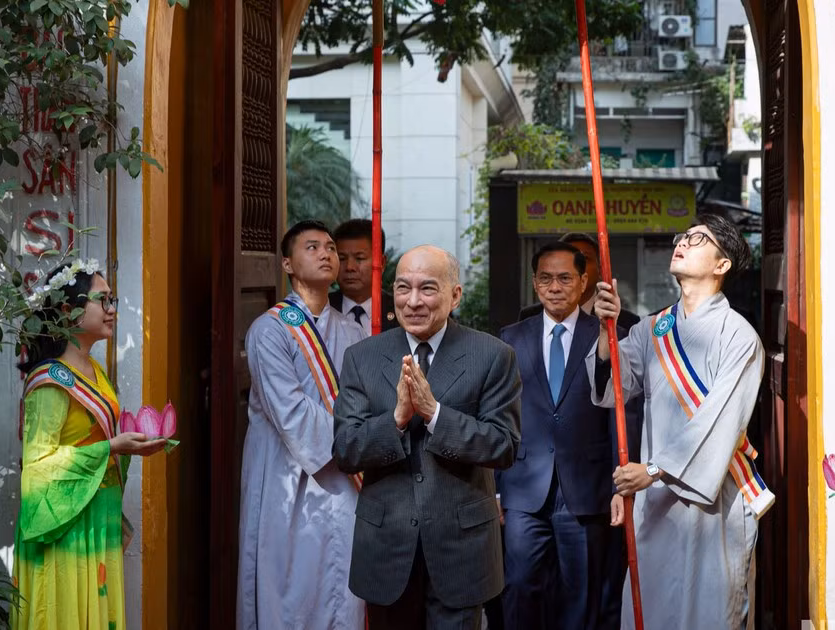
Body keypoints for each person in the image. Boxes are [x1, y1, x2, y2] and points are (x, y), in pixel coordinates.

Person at [590, 214, 771, 630]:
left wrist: (653, 470)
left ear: (722, 265)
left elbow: (720, 423)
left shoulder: (739, 336)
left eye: (697, 239)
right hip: (654, 498)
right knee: (650, 608)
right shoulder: (654, 327)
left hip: (710, 497)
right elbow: (615, 387)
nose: (683, 243)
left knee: (707, 609)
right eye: (682, 236)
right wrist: (606, 331)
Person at [333, 245, 521, 629]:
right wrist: (397, 419)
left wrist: (435, 414)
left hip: (462, 547)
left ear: (455, 296)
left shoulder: (492, 355)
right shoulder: (362, 357)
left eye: (428, 289)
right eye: (403, 288)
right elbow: (346, 450)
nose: (413, 301)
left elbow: (503, 445)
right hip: (386, 546)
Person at [11, 260, 166, 630]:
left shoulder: (94, 371)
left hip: (95, 514)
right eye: (103, 301)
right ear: (68, 311)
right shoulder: (51, 381)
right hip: (63, 525)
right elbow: (37, 467)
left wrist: (122, 446)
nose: (112, 310)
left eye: (113, 300)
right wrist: (110, 448)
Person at [238, 220, 366, 629]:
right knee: (288, 589)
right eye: (312, 247)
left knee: (341, 585)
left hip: (344, 477)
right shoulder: (269, 330)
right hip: (286, 476)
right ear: (288, 264)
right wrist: (358, 437)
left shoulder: (354, 329)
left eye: (331, 247)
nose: (327, 253)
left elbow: (364, 401)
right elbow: (290, 411)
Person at [497, 242, 630, 629]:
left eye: (565, 278)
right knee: (520, 586)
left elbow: (619, 412)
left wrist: (620, 483)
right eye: (545, 278)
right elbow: (498, 414)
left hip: (587, 489)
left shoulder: (609, 334)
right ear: (535, 284)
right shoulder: (510, 337)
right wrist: (496, 487)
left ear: (583, 281)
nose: (555, 286)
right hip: (523, 489)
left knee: (582, 591)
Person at [518, 232, 639, 331]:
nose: (576, 266)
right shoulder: (530, 316)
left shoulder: (624, 321)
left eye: (584, 259)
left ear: (601, 270)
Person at [330, 219, 399, 336]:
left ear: (381, 263)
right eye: (342, 258)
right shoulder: (323, 308)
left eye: (360, 258)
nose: (349, 267)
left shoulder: (399, 310)